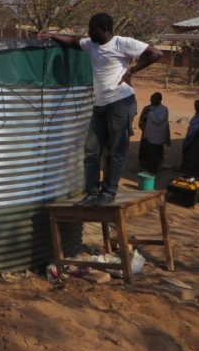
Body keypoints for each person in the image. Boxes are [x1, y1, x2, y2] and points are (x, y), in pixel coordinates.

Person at [39, 12, 163, 206]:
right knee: (91, 150)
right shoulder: (92, 44)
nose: (89, 32)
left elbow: (156, 53)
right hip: (100, 104)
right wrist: (54, 36)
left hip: (120, 102)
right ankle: (92, 192)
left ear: (104, 29)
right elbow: (73, 42)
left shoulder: (122, 43)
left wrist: (133, 70)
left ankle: (109, 192)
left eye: (92, 29)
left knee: (115, 150)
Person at [137, 92, 170, 174]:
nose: (152, 101)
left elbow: (159, 120)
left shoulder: (163, 109)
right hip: (148, 135)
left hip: (157, 136)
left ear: (160, 100)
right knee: (148, 153)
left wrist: (150, 113)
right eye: (151, 99)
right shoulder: (147, 108)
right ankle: (148, 167)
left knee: (155, 154)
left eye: (154, 99)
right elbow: (141, 121)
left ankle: (153, 170)